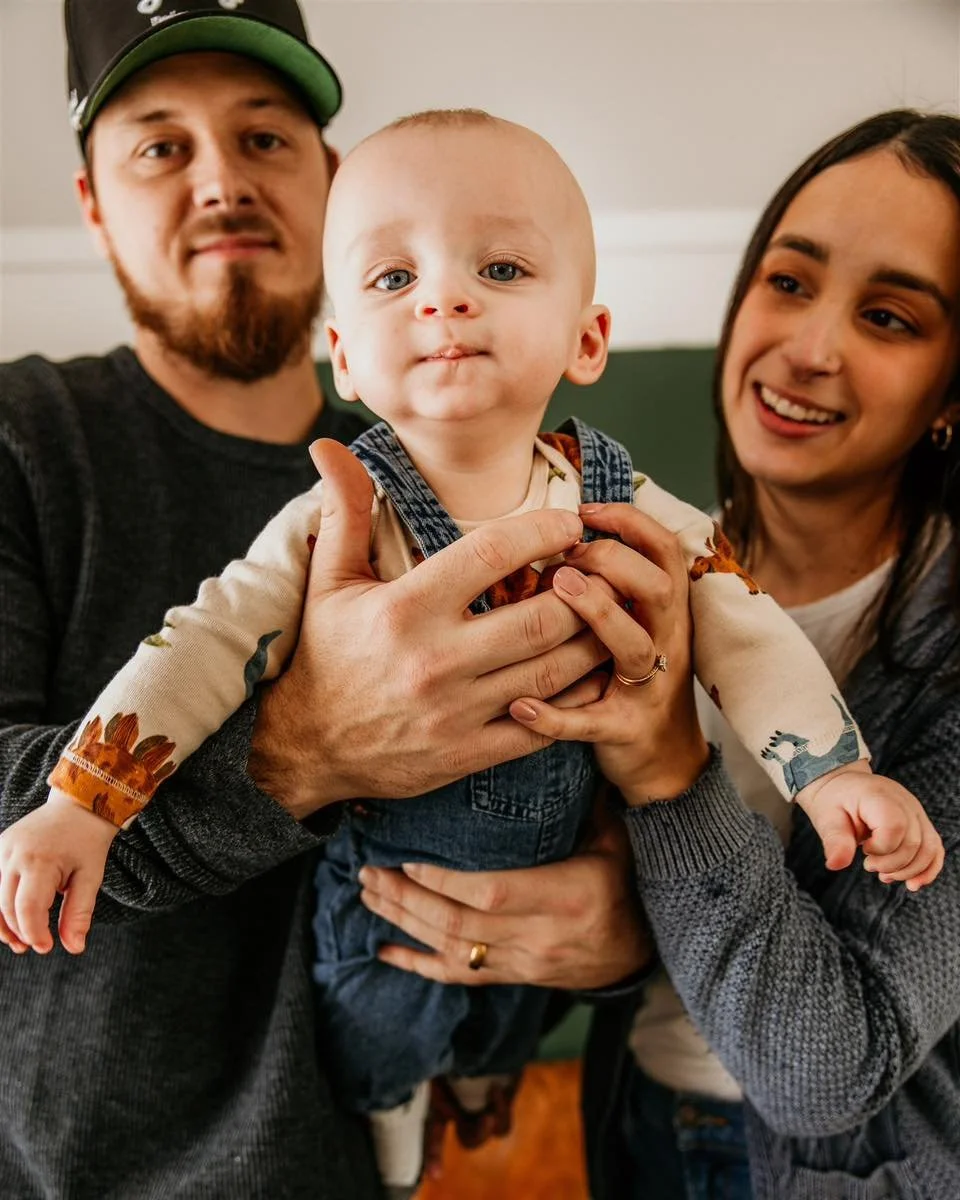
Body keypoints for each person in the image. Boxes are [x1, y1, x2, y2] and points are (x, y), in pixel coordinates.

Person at [2, 104, 947, 1193]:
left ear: (587, 337)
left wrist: (831, 776)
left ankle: (470, 1082)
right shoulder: (343, 514)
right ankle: (395, 1134)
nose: (445, 298)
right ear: (345, 357)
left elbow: (748, 631)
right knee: (376, 1053)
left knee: (497, 1046)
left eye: (499, 268)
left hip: (560, 911)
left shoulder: (622, 503)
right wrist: (82, 804)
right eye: (393, 278)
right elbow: (204, 646)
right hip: (380, 906)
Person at [0, 4, 624, 1196]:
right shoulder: (22, 440)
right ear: (92, 204)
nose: (222, 181)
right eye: (160, 146)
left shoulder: (476, 453)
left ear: (333, 182)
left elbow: (614, 760)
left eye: (265, 137)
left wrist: (624, 923)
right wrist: (307, 748)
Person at [356, 109, 960, 1199]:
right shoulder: (630, 549)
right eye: (788, 281)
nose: (808, 348)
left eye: (888, 316)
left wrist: (667, 766)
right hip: (630, 1122)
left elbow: (827, 1072)